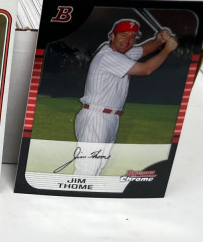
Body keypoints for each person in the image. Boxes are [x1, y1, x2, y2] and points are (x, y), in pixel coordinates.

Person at [73, 19, 178, 176]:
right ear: (112, 36)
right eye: (123, 35)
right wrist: (167, 49)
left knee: (98, 167)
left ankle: (91, 191)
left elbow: (143, 50)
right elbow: (146, 69)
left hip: (110, 119)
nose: (127, 41)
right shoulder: (107, 57)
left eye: (132, 37)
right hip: (96, 117)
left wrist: (159, 41)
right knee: (87, 169)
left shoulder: (121, 53)